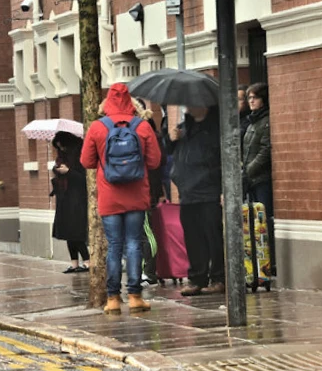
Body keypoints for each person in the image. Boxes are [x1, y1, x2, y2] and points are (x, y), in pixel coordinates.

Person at [81, 84, 162, 314]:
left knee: (115, 245)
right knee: (135, 243)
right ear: (130, 102)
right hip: (136, 195)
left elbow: (86, 161)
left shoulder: (98, 127)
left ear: (107, 102)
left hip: (109, 196)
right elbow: (155, 161)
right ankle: (135, 296)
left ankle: (114, 299)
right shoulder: (142, 126)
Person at [168, 105, 225, 296]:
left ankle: (219, 277)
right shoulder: (185, 128)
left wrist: (223, 189)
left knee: (213, 236)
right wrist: (171, 140)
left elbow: (221, 157)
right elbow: (170, 154)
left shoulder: (215, 128)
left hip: (209, 190)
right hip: (187, 191)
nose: (188, 106)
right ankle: (196, 278)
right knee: (193, 237)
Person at [243, 82, 275, 274]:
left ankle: (268, 261)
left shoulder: (266, 121)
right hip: (251, 178)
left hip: (260, 178)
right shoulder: (252, 122)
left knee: (264, 219)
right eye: (249, 98)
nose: (251, 101)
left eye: (254, 97)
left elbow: (264, 150)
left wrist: (248, 171)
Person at [134, 98, 165, 286]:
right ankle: (141, 271)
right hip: (138, 189)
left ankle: (150, 272)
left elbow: (155, 164)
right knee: (138, 234)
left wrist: (155, 191)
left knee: (146, 232)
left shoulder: (147, 131)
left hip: (145, 191)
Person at [50, 131, 89, 274]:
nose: (61, 150)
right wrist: (57, 169)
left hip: (77, 198)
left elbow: (84, 177)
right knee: (67, 231)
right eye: (59, 147)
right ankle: (74, 263)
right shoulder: (62, 156)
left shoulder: (80, 154)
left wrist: (69, 171)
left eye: (63, 147)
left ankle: (87, 261)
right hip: (64, 197)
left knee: (75, 232)